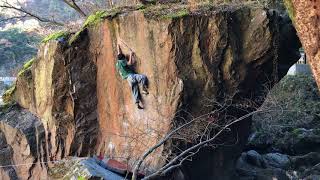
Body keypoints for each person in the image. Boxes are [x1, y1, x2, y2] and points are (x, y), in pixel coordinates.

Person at [116, 44, 149, 109]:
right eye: (125, 58)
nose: (125, 58)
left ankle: (137, 103)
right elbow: (130, 63)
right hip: (131, 76)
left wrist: (118, 46)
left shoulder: (118, 63)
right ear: (123, 59)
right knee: (143, 77)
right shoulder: (122, 61)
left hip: (128, 79)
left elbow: (119, 53)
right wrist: (131, 54)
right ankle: (143, 89)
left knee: (135, 90)